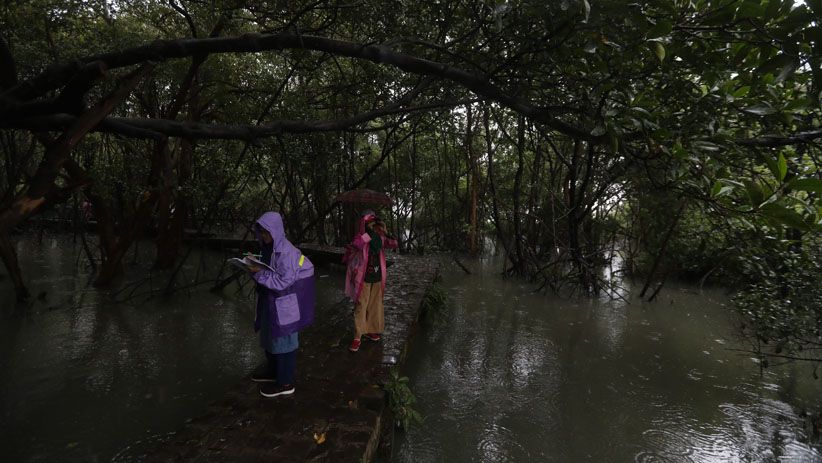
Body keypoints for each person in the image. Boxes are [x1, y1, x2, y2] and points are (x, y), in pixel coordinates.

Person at [249, 212, 315, 398]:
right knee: (269, 338)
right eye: (261, 232)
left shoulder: (287, 252)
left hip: (284, 305)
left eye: (266, 232)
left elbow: (283, 282)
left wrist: (257, 274)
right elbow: (267, 270)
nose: (263, 236)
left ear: (276, 231)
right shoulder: (267, 248)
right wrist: (252, 267)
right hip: (269, 301)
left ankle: (285, 382)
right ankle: (273, 372)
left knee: (284, 342)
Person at [344, 210, 398, 352]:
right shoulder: (363, 237)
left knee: (375, 305)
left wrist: (385, 232)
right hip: (363, 277)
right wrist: (368, 233)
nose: (373, 225)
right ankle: (357, 336)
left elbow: (393, 244)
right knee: (362, 305)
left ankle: (370, 329)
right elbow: (356, 245)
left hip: (377, 276)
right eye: (370, 223)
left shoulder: (380, 237)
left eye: (374, 222)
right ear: (365, 224)